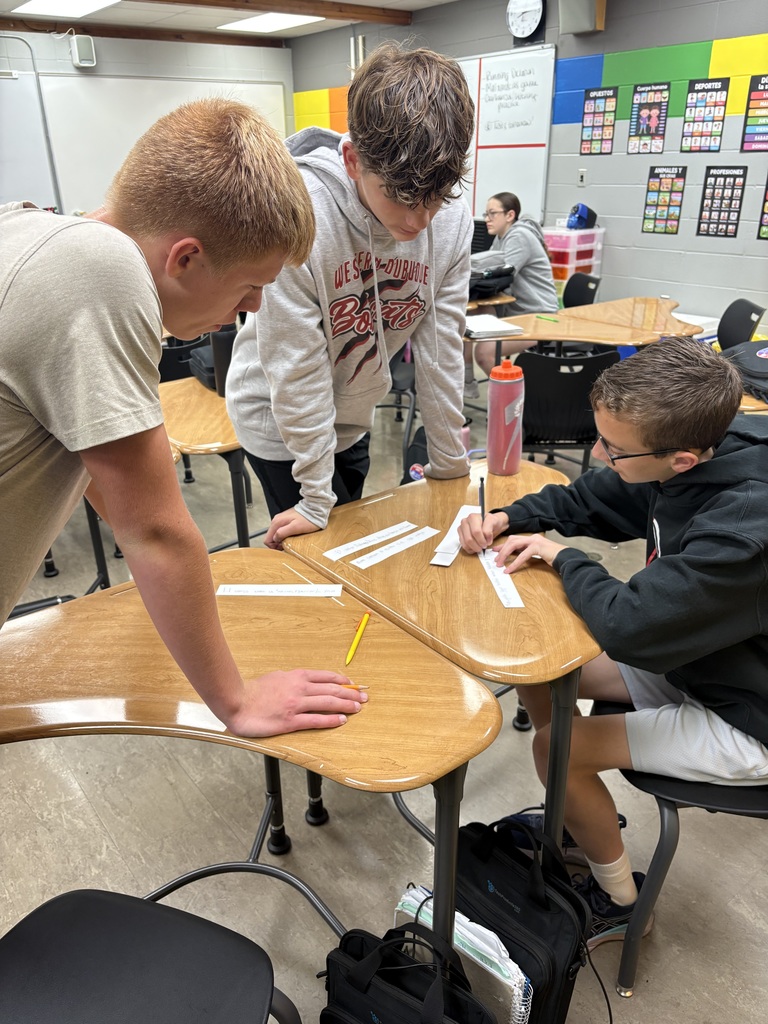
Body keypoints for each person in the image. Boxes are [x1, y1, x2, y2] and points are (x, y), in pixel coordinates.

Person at [0, 98, 367, 737]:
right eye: (251, 285)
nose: (253, 308)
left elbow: (97, 472)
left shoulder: (25, 228)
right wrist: (236, 701)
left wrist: (190, 591)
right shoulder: (101, 273)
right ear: (187, 258)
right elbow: (156, 534)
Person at [458, 337, 768, 948]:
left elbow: (631, 625)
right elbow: (597, 497)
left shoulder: (746, 530)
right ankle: (578, 816)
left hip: (750, 714)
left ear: (681, 458)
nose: (598, 454)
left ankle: (623, 900)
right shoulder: (693, 453)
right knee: (540, 664)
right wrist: (512, 518)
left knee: (555, 751)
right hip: (702, 660)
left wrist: (564, 556)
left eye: (613, 449)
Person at [226, 43, 475, 549]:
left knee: (353, 542)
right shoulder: (298, 216)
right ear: (352, 159)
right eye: (401, 198)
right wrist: (315, 496)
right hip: (280, 421)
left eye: (435, 198)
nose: (418, 219)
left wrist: (451, 464)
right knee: (324, 556)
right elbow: (296, 367)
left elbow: (441, 349)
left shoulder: (449, 221)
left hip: (354, 414)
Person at [464, 192, 558, 396]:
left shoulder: (518, 236)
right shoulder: (501, 238)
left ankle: (520, 403)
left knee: (485, 353)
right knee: (470, 317)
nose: (487, 219)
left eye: (492, 214)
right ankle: (467, 381)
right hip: (518, 313)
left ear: (510, 215)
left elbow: (500, 276)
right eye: (486, 213)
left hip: (540, 317)